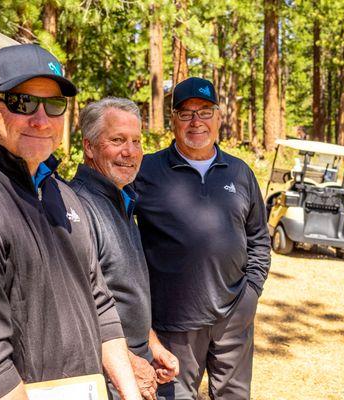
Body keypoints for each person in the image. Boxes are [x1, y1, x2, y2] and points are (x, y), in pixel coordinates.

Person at [0, 44, 141, 400]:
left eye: (54, 105)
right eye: (22, 102)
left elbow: (100, 301)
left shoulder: (61, 194)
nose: (41, 119)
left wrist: (130, 393)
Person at [133, 77, 271, 399]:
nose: (196, 121)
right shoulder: (147, 171)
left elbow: (259, 238)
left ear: (219, 117)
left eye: (205, 112)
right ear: (173, 121)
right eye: (186, 113)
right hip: (171, 324)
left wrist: (250, 293)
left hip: (233, 319)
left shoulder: (240, 173)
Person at [69, 98, 179, 400]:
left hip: (135, 367)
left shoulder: (121, 200)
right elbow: (77, 311)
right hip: (108, 377)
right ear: (89, 147)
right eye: (117, 140)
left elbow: (124, 292)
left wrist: (152, 344)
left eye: (136, 141)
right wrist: (128, 366)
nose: (130, 152)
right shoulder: (76, 207)